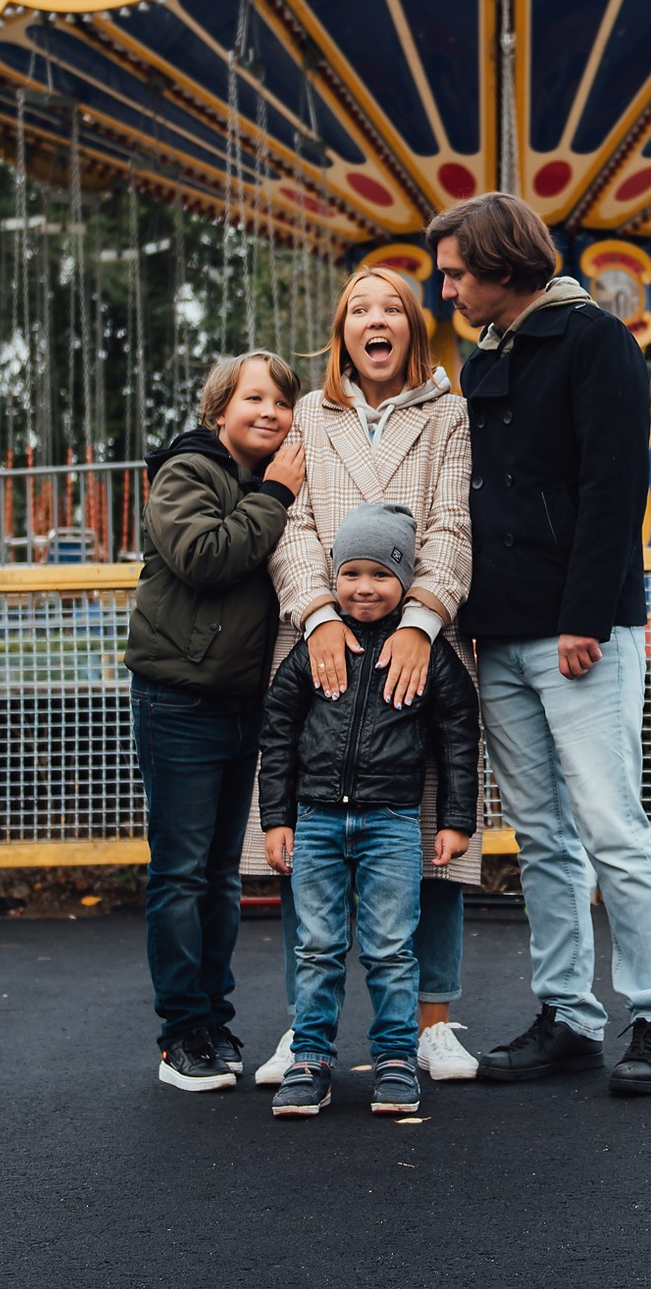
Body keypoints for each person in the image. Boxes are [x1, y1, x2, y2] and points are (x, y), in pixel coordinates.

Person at [429, 192, 651, 1096]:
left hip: (578, 629)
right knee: (541, 833)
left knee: (611, 825)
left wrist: (587, 614)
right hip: (501, 627)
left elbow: (616, 486)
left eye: (458, 270)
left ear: (504, 264)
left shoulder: (595, 340)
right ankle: (570, 1013)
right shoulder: (489, 355)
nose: (446, 285)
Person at [242, 267, 486, 1087]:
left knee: (431, 842)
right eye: (358, 309)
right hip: (321, 645)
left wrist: (420, 621)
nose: (374, 320)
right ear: (341, 331)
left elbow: (452, 524)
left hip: (423, 639)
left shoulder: (448, 414)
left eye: (390, 308)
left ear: (413, 328)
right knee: (307, 845)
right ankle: (304, 1030)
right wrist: (318, 615)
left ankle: (433, 1020)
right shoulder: (309, 415)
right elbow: (291, 526)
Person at [259, 505, 481, 1118]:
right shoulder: (311, 652)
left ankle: (394, 1058)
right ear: (333, 577)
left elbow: (458, 736)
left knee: (390, 947)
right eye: (350, 573)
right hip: (317, 820)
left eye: (380, 575)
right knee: (318, 946)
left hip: (391, 824)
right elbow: (277, 735)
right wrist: (277, 818)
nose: (363, 587)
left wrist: (456, 821)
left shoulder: (430, 657)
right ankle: (310, 1059)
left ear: (405, 581)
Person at [123, 350, 305, 1093]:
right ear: (219, 408)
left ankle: (212, 1020)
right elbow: (204, 555)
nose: (270, 412)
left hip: (240, 700)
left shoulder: (262, 482)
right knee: (180, 873)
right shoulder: (185, 472)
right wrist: (275, 496)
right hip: (181, 696)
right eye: (254, 398)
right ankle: (179, 1036)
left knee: (222, 879)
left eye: (282, 402)